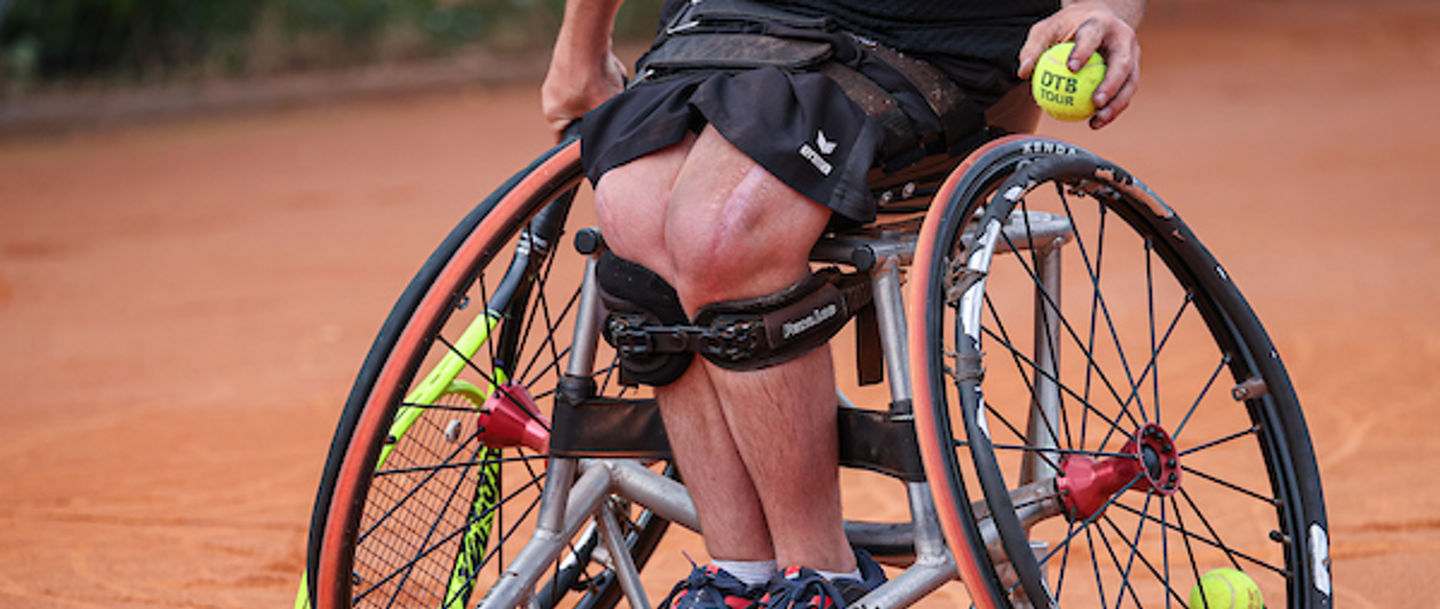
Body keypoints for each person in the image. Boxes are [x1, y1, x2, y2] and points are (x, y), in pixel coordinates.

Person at [541, 1, 1144, 608]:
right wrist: (581, 46)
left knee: (724, 228)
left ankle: (825, 578)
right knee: (630, 207)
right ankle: (738, 580)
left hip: (915, 36)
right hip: (731, 22)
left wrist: (1105, 8)